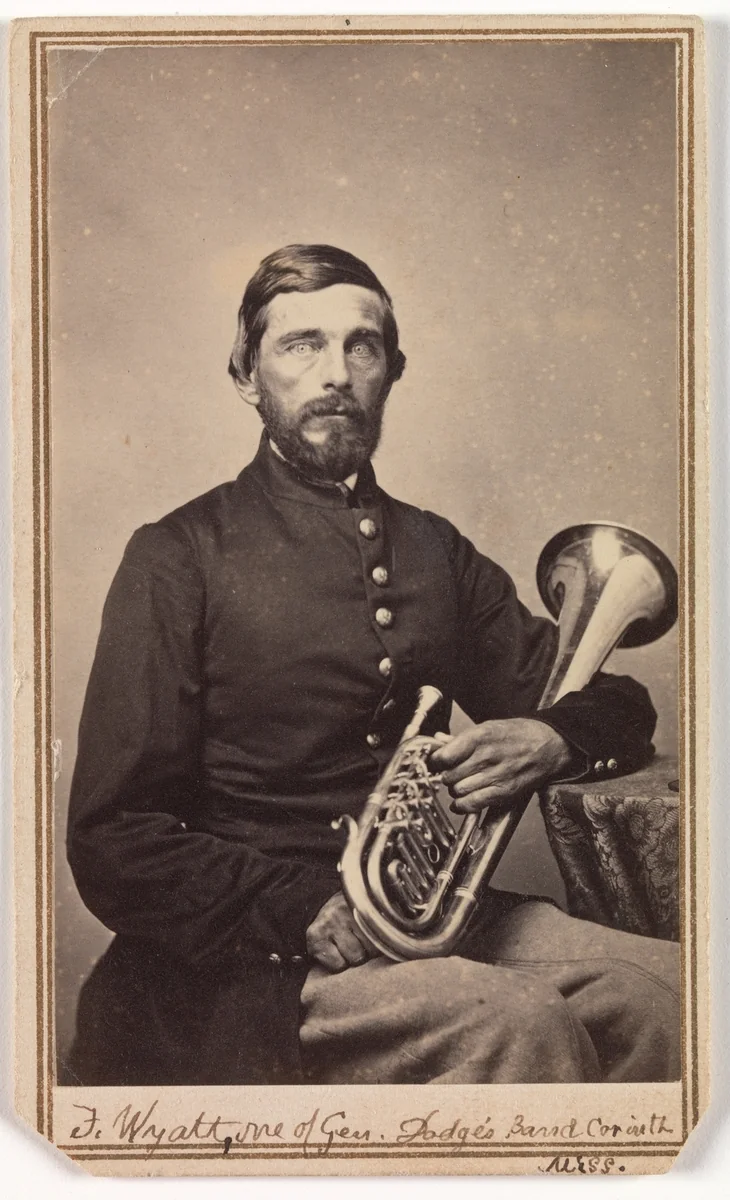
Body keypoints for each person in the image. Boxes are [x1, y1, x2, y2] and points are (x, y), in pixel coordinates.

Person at [66, 244, 679, 1087]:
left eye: (362, 347)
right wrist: (300, 907)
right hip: (254, 959)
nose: (336, 373)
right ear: (248, 375)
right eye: (301, 345)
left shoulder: (434, 550)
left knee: (673, 995)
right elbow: (112, 838)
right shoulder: (178, 556)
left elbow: (610, 700)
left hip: (424, 921)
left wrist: (550, 737)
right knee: (518, 1024)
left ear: (392, 370)